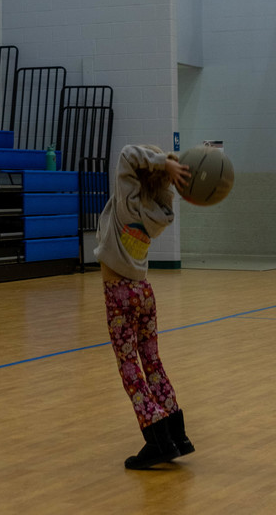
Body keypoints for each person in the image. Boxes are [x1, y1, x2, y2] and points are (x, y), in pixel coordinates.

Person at [94, 144, 195, 470]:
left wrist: (162, 162)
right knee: (152, 362)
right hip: (144, 293)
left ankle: (157, 439)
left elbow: (127, 154)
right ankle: (177, 433)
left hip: (120, 294)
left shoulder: (128, 202)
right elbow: (140, 167)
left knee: (129, 367)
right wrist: (166, 171)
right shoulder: (158, 210)